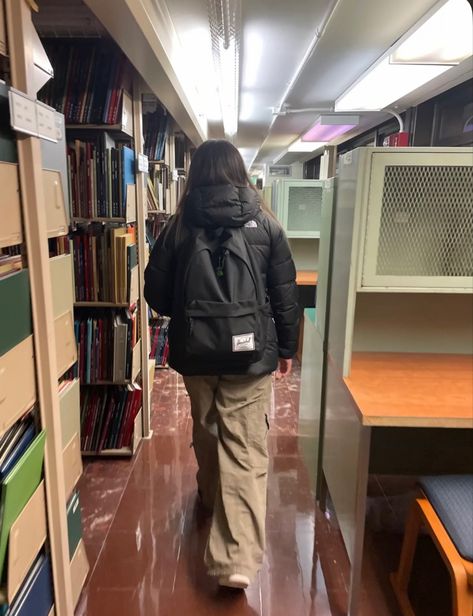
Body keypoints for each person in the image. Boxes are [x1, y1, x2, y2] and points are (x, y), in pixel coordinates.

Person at [144, 139, 299, 590]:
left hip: (195, 353)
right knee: (245, 447)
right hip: (251, 358)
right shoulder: (266, 225)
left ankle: (211, 496)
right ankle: (235, 559)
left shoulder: (177, 226)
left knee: (208, 427)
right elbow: (286, 295)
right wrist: (286, 349)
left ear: (194, 175)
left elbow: (156, 294)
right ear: (240, 172)